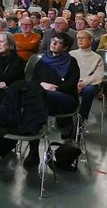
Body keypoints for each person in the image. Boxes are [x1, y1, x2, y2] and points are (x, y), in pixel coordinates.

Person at [25, 32, 79, 168]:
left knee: (35, 101)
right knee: (35, 109)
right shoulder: (43, 60)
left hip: (65, 98)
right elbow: (34, 80)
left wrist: (53, 88)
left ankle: (33, 152)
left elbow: (72, 84)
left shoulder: (71, 62)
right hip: (44, 99)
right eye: (53, 41)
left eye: (58, 42)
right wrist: (42, 85)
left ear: (65, 47)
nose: (53, 44)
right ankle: (33, 151)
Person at [69, 31, 103, 122]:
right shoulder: (71, 54)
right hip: (73, 82)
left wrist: (83, 83)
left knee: (89, 91)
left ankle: (82, 119)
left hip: (90, 84)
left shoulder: (97, 57)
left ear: (90, 40)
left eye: (83, 38)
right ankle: (66, 119)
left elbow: (98, 75)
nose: (80, 40)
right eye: (78, 38)